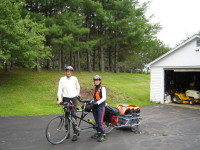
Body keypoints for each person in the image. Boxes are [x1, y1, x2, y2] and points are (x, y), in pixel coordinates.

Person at [57, 66, 80, 141]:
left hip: (73, 99)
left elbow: (78, 87)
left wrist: (77, 93)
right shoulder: (62, 79)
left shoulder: (74, 78)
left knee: (73, 116)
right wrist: (60, 99)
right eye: (67, 71)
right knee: (66, 116)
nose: (69, 73)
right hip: (66, 99)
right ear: (66, 72)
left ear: (72, 72)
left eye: (70, 71)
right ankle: (67, 133)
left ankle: (75, 133)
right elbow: (60, 89)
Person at [91, 75, 106, 142]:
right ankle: (99, 133)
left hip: (100, 106)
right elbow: (94, 97)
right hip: (94, 107)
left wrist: (98, 102)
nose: (96, 81)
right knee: (97, 121)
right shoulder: (95, 88)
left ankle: (103, 135)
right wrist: (91, 101)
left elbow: (104, 98)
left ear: (100, 81)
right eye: (95, 80)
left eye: (97, 80)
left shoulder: (103, 88)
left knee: (100, 121)